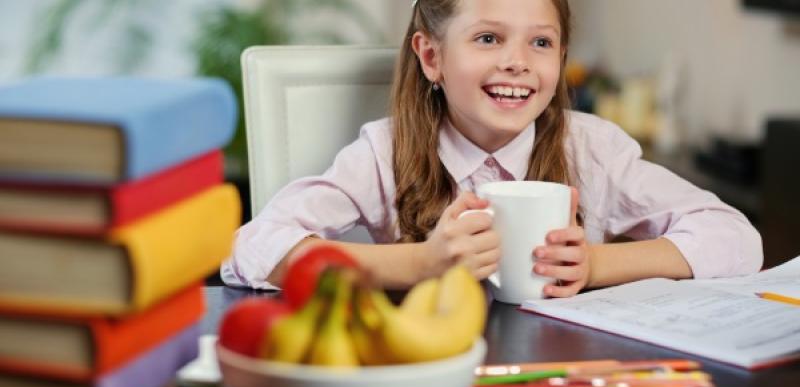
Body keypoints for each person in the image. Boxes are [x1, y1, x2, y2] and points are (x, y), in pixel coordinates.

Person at [221, 0, 762, 297]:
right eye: (488, 38)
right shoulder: (385, 152)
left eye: (541, 42)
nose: (517, 62)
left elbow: (735, 238)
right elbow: (254, 247)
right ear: (431, 57)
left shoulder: (592, 148)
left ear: (560, 58)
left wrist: (595, 264)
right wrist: (420, 262)